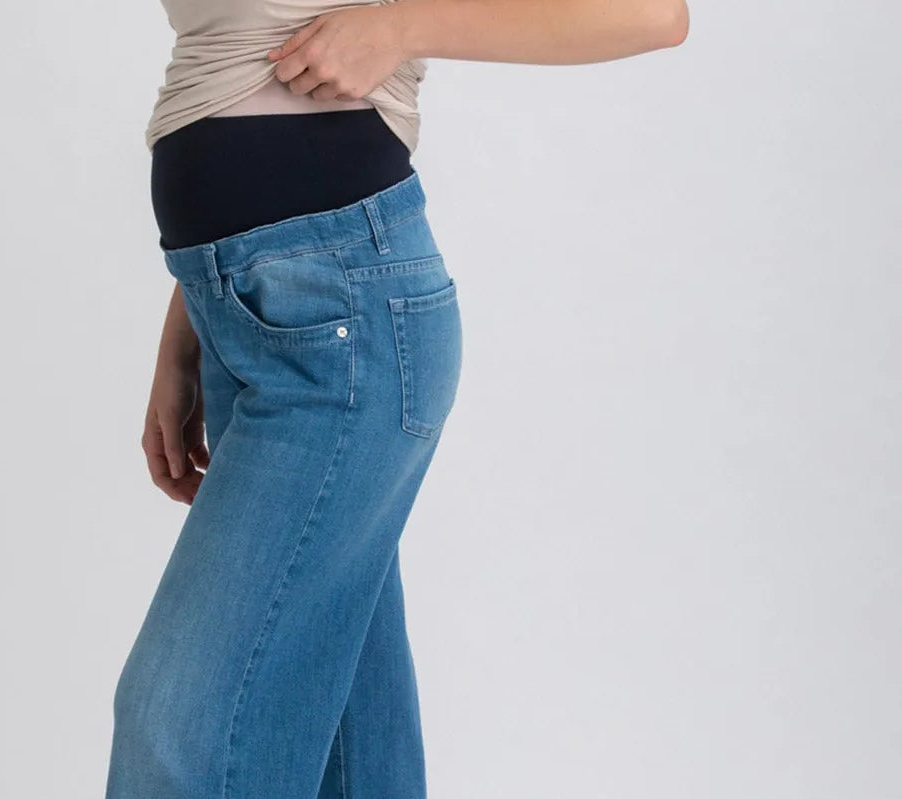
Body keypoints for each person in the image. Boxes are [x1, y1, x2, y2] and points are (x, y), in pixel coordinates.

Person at [107, 1, 689, 796]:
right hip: (243, 316)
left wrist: (401, 27)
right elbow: (234, 73)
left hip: (344, 324)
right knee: (356, 760)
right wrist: (186, 334)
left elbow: (653, 13)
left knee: (179, 730)